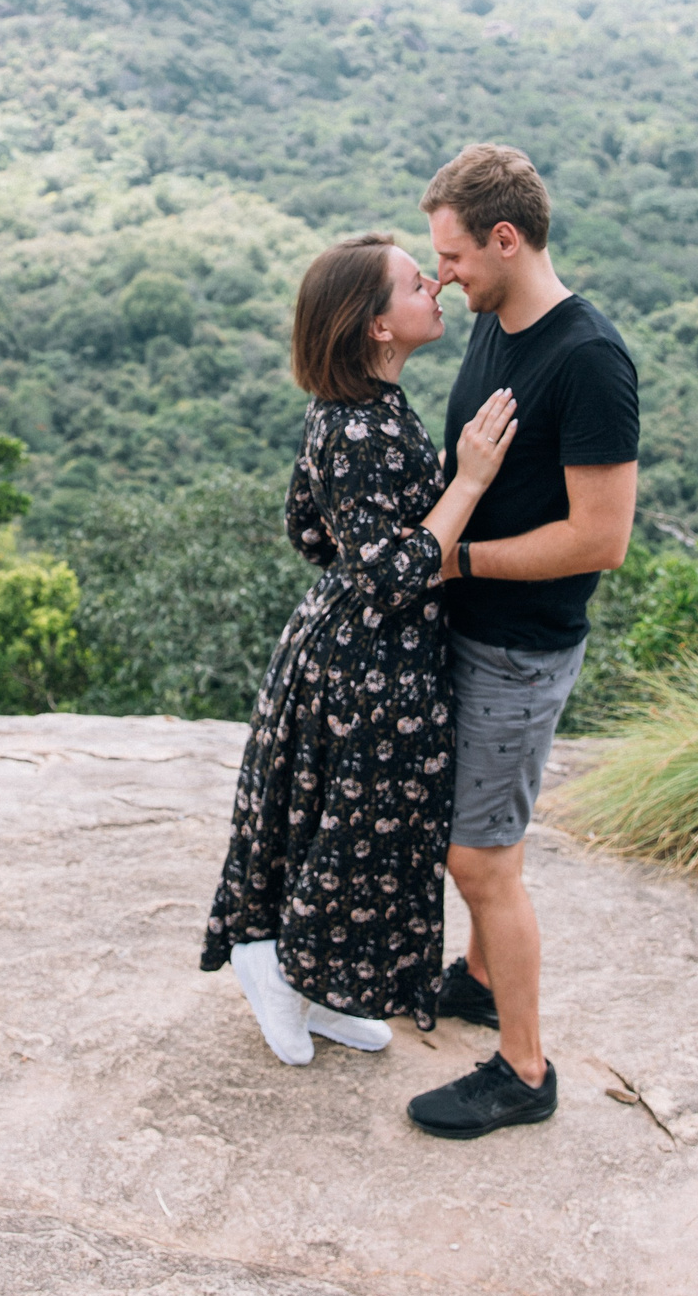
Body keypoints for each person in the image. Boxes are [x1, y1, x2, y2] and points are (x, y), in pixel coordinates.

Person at [201, 232, 521, 1063]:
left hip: (347, 647)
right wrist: (469, 483)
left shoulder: (360, 409)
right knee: (352, 834)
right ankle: (272, 965)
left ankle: (315, 983)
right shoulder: (359, 429)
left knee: (350, 831)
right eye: (417, 283)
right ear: (378, 326)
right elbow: (391, 575)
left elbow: (308, 527)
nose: (435, 285)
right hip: (367, 663)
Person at [404, 143, 639, 1141]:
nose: (440, 274)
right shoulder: (495, 322)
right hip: (468, 631)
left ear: (506, 239)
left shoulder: (586, 361)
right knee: (468, 844)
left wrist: (455, 566)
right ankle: (479, 979)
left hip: (519, 646)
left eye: (452, 256)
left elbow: (600, 538)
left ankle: (524, 1069)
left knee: (482, 860)